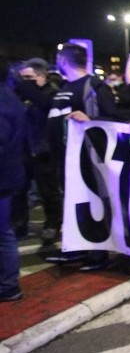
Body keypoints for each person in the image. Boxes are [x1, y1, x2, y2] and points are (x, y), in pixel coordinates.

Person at [44, 43, 120, 270]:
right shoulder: (67, 85)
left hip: (87, 159)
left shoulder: (94, 86)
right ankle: (74, 250)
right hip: (65, 159)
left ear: (63, 60)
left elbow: (113, 119)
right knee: (72, 203)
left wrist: (91, 121)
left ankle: (98, 256)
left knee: (92, 204)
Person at [13, 58, 62, 246]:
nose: (25, 82)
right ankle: (20, 224)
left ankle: (53, 223)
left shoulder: (53, 93)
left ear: (42, 76)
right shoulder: (20, 96)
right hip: (24, 149)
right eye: (22, 78)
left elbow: (47, 106)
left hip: (44, 150)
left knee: (48, 191)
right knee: (19, 191)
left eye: (29, 77)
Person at [1, 59, 26, 301]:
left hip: (3, 177)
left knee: (3, 233)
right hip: (9, 175)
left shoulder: (3, 102)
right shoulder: (10, 97)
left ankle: (8, 285)